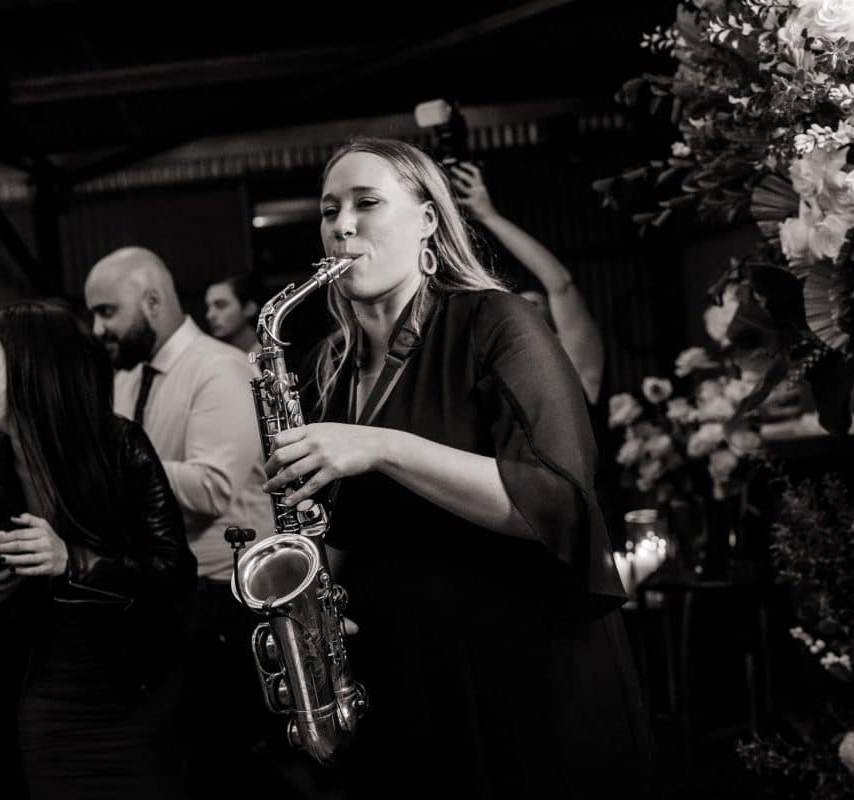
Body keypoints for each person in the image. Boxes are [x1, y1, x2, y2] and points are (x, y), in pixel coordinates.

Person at [264, 138, 653, 798]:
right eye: (330, 211)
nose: (341, 227)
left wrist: (381, 446)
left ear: (428, 221)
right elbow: (342, 532)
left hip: (518, 674)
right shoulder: (326, 367)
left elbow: (556, 503)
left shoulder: (498, 321)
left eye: (367, 203)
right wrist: (306, 612)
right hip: (403, 676)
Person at [0, 302, 195, 799]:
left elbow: (173, 571)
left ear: (30, 363)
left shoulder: (117, 444)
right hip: (39, 690)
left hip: (134, 684)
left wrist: (71, 561)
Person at [84, 248, 287, 800]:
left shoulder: (218, 368)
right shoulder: (128, 377)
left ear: (152, 302)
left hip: (227, 597)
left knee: (235, 762)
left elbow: (213, 488)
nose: (99, 329)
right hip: (169, 588)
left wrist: (113, 463)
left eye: (107, 312)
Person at [451, 161, 605, 405]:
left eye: (536, 303)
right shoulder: (498, 382)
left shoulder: (578, 370)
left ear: (556, 323)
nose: (528, 309)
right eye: (522, 305)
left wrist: (488, 216)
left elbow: (560, 284)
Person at [204, 273, 263, 356]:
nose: (209, 315)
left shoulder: (278, 355)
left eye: (220, 305)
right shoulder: (215, 356)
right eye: (207, 307)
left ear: (249, 308)